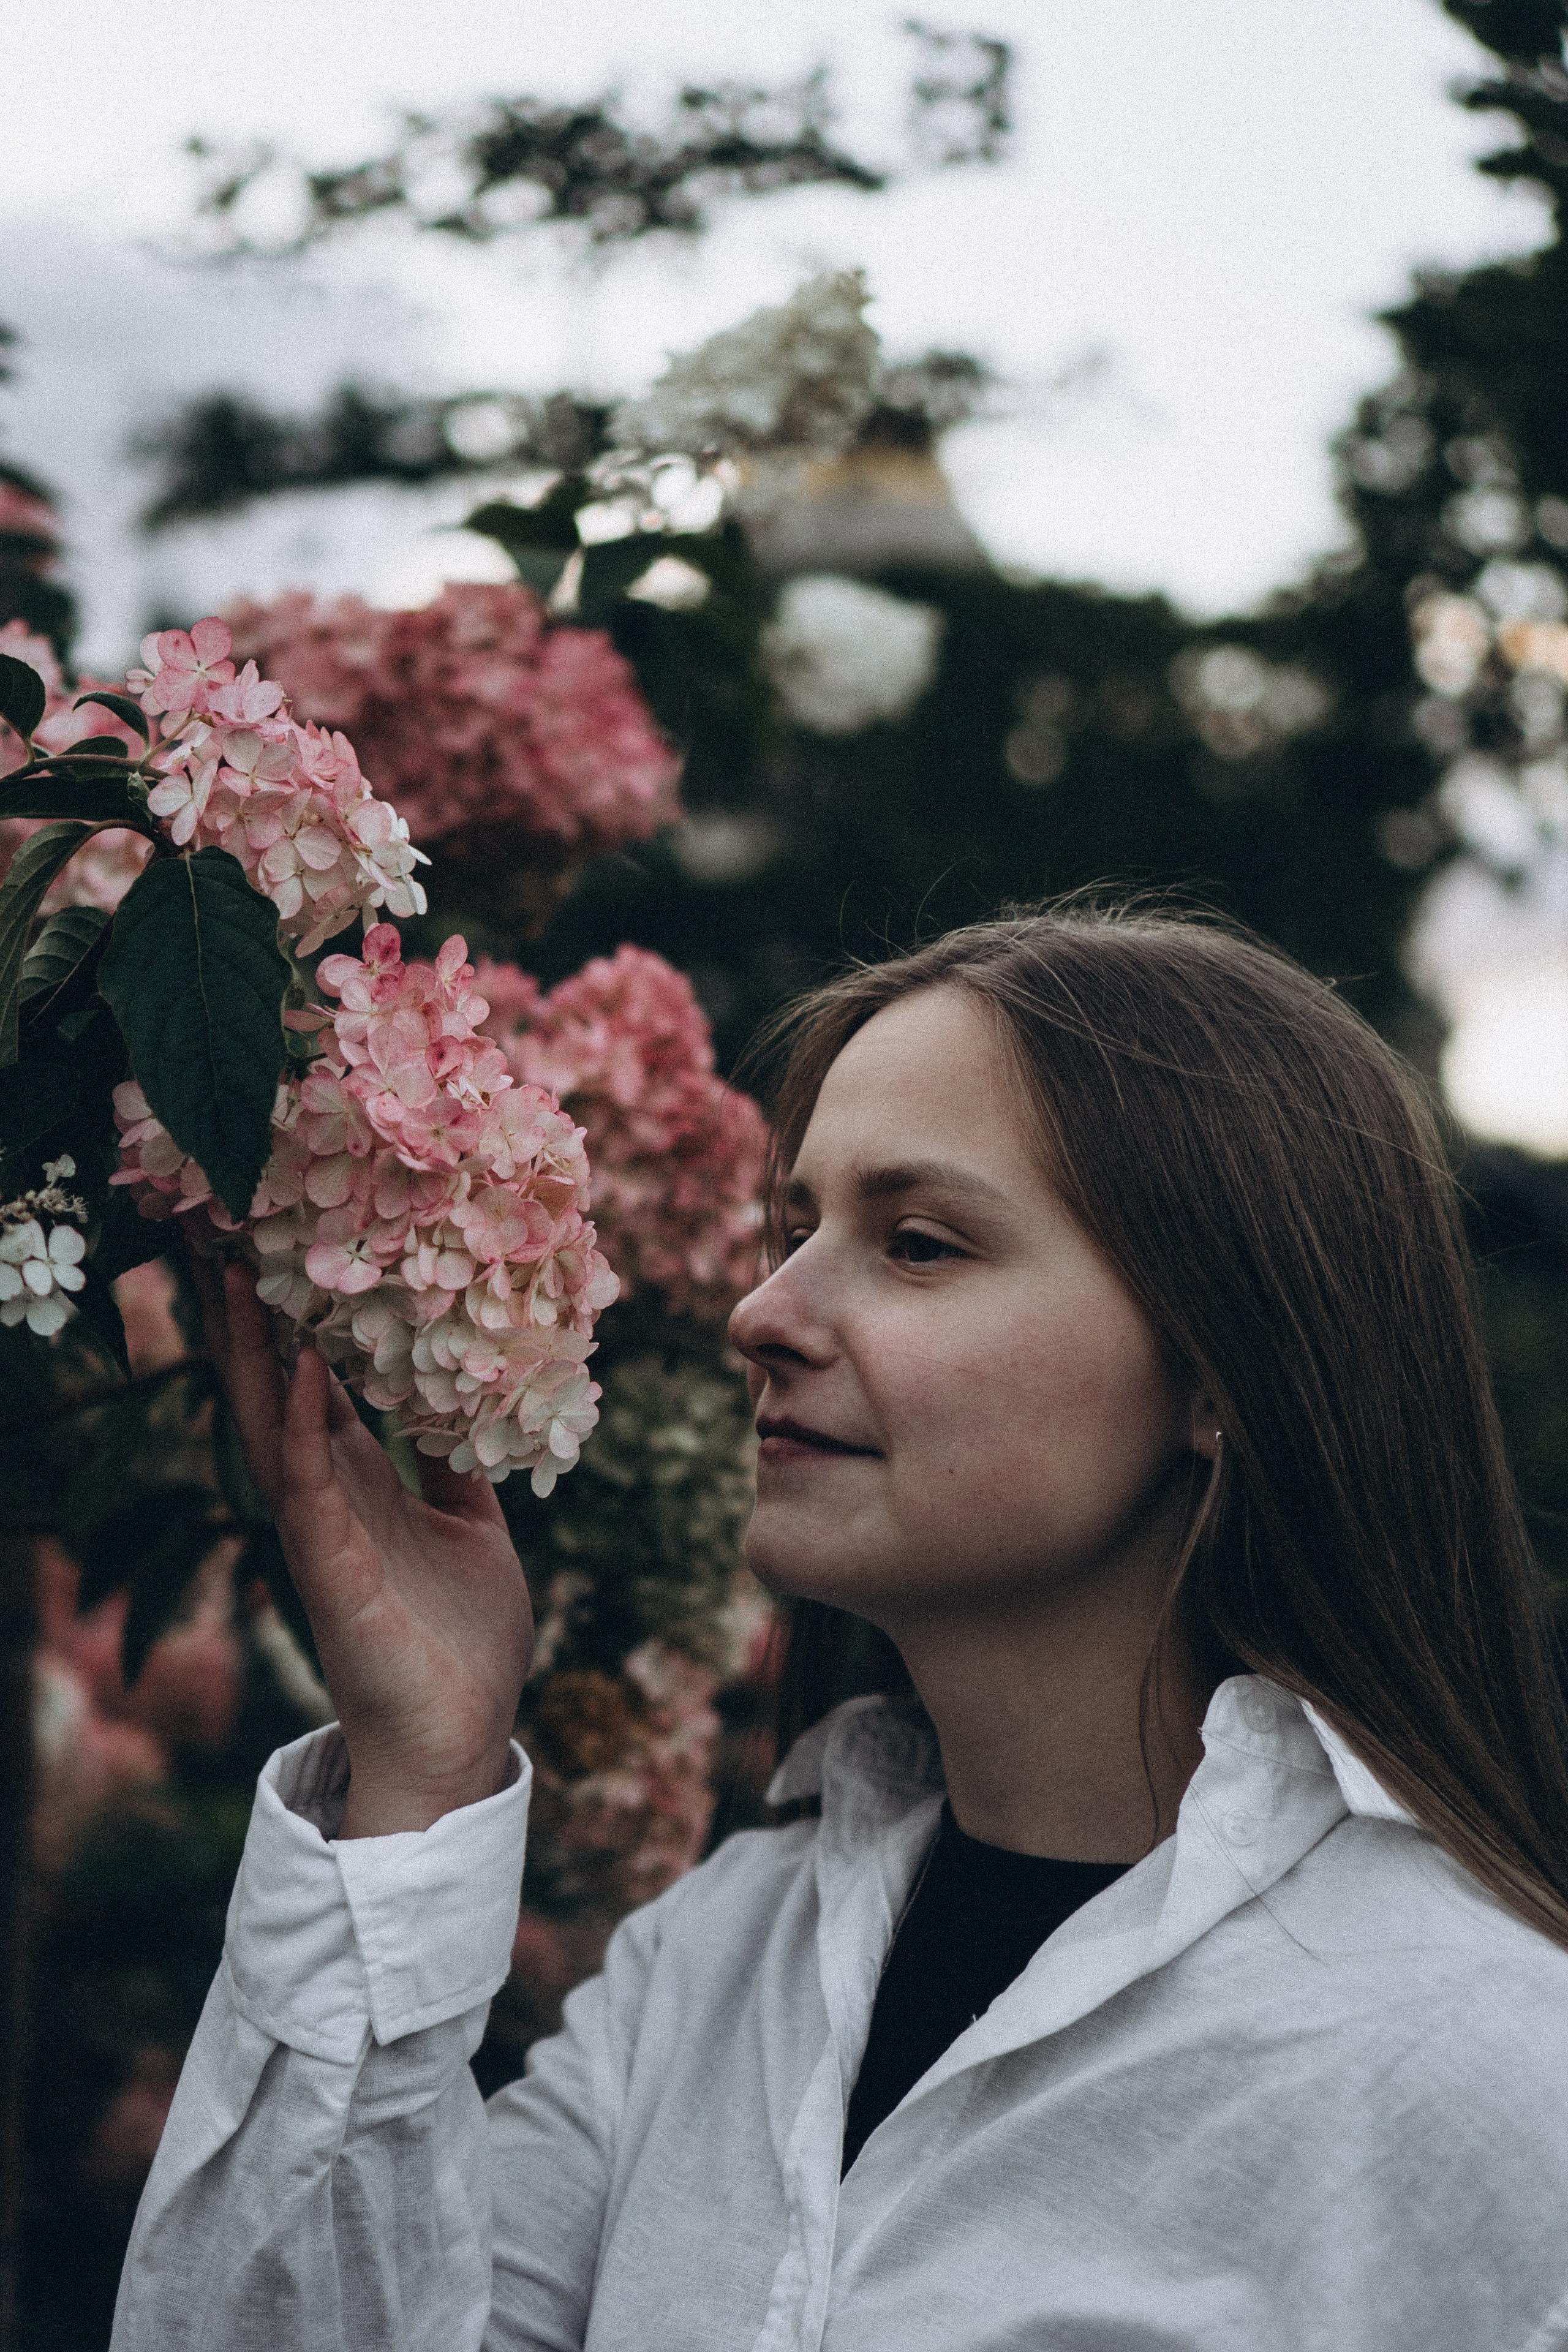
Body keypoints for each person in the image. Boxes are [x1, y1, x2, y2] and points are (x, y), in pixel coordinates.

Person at [111, 905, 1568, 2352]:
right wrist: (416, 1780)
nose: (760, 1309)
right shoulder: (714, 1961)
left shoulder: (1475, 2072)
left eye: (918, 1244)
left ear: (1217, 1373)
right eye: (796, 1228)